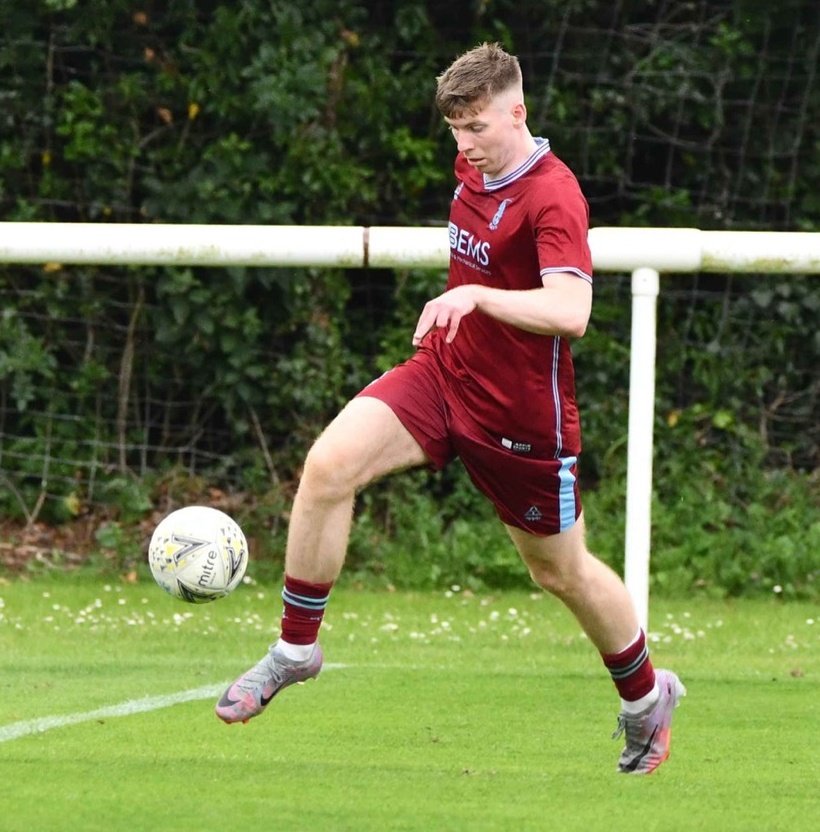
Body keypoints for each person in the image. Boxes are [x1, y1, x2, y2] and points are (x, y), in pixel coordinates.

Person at [215, 42, 685, 774]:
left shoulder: (553, 195)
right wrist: (466, 307)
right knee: (329, 465)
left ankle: (646, 698)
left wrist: (475, 296)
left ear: (517, 113)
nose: (465, 145)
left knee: (560, 573)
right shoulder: (475, 166)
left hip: (521, 416)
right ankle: (295, 650)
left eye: (477, 127)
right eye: (456, 130)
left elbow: (572, 311)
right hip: (443, 374)